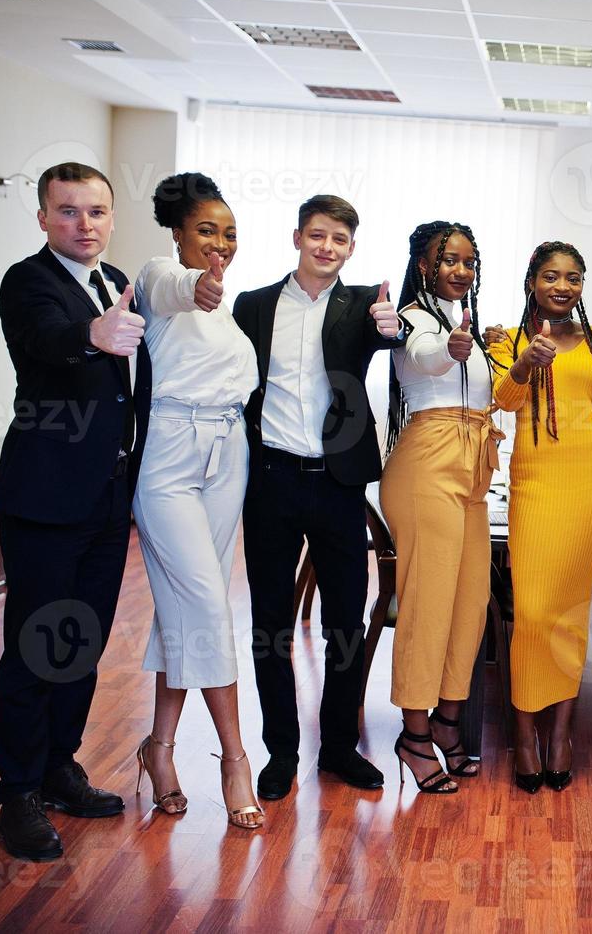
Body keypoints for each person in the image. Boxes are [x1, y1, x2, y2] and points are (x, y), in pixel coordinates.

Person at [0, 162, 150, 860]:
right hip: (45, 497)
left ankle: (60, 767)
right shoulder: (28, 282)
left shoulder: (118, 284)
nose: (83, 225)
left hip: (108, 498)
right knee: (35, 648)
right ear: (43, 219)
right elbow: (45, 340)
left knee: (79, 645)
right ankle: (18, 792)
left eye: (95, 212)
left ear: (111, 218)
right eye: (67, 212)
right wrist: (92, 335)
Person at [232, 194, 405, 801]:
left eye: (339, 239)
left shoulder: (364, 306)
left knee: (346, 624)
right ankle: (280, 750)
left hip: (338, 485)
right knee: (270, 625)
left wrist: (395, 327)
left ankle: (336, 747)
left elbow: (398, 331)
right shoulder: (252, 306)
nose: (327, 248)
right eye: (318, 236)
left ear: (351, 248)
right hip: (271, 480)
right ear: (298, 236)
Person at [131, 172, 263, 829]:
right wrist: (195, 284)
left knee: (186, 608)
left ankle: (158, 750)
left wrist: (213, 294)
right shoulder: (159, 276)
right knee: (208, 606)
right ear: (179, 232)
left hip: (226, 453)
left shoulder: (228, 311)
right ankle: (234, 759)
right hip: (169, 458)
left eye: (230, 233)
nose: (220, 244)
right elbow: (171, 287)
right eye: (207, 230)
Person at [489, 241, 592, 793]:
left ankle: (561, 734)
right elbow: (505, 399)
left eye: (573, 277)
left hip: (589, 485)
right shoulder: (508, 340)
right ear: (532, 283)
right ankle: (524, 735)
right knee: (534, 613)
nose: (562, 286)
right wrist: (523, 360)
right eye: (550, 276)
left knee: (571, 611)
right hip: (535, 486)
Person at [381, 220, 501, 795]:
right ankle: (413, 733)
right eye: (449, 260)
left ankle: (449, 722)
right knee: (427, 604)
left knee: (471, 601)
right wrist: (451, 348)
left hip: (472, 462)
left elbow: (487, 390)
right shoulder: (412, 319)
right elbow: (426, 358)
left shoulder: (469, 326)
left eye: (469, 262)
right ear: (425, 265)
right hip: (427, 462)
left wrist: (487, 349)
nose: (461, 270)